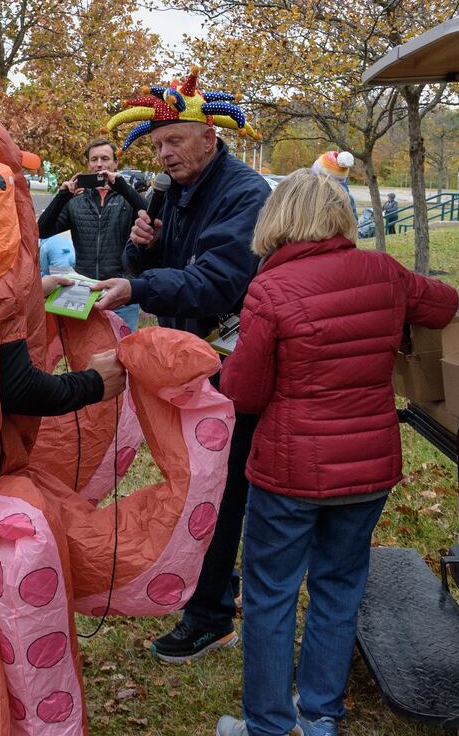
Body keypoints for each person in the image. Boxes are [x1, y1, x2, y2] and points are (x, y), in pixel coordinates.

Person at [214, 171, 459, 736]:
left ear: (276, 219)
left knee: (272, 594)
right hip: (368, 463)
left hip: (289, 467)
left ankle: (269, 726)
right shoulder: (385, 272)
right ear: (341, 215)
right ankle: (321, 712)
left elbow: (244, 393)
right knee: (340, 585)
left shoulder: (270, 290)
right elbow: (443, 305)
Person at [92, 73, 270, 665]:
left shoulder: (245, 195)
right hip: (192, 359)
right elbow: (165, 274)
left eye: (175, 141)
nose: (165, 155)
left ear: (210, 138)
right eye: (158, 144)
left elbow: (217, 280)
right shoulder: (170, 192)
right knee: (204, 479)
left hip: (239, 362)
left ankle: (211, 615)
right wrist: (141, 249)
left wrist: (140, 280)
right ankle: (218, 589)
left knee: (217, 485)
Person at [36, 138, 148, 329]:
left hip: (120, 291)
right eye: (94, 159)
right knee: (86, 354)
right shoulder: (76, 201)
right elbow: (42, 230)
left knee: (123, 352)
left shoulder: (127, 198)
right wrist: (62, 197)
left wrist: (121, 186)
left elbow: (150, 218)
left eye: (105, 158)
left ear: (115, 163)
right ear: (88, 163)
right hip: (83, 291)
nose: (99, 164)